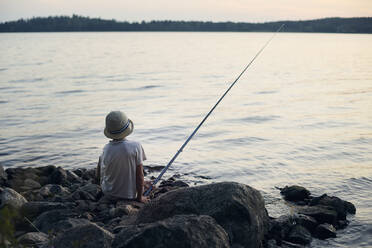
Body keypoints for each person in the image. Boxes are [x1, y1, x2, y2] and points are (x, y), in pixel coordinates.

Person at [96, 111, 149, 203]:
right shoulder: (136, 146)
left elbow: (98, 174)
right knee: (149, 185)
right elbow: (139, 175)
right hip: (129, 195)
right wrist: (140, 197)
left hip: (109, 193)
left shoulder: (106, 149)